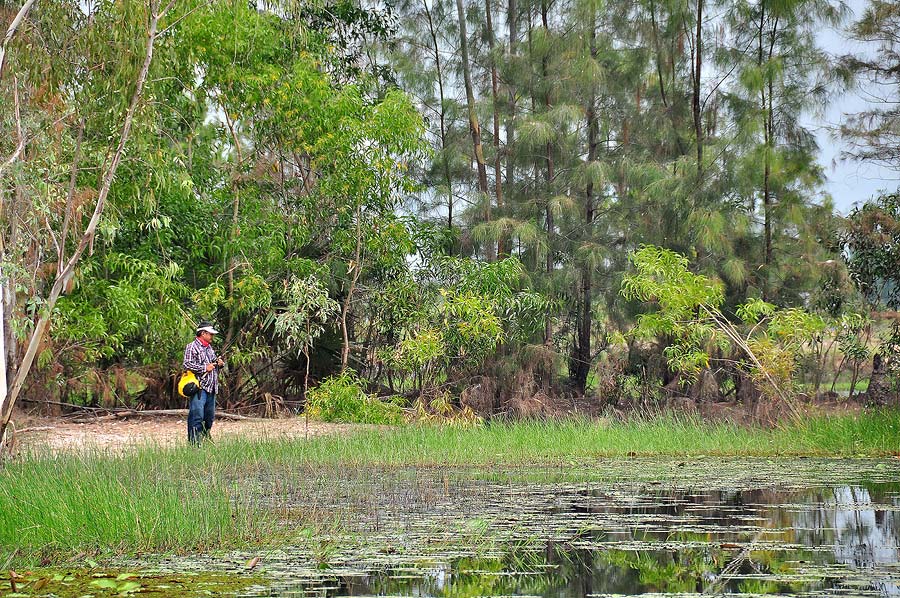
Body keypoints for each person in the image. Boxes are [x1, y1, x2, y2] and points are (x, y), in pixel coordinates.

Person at [183, 321, 225, 444]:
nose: (212, 336)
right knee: (197, 416)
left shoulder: (209, 348)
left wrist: (219, 364)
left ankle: (206, 438)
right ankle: (194, 443)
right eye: (210, 334)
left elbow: (213, 363)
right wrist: (204, 368)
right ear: (203, 333)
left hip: (211, 388)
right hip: (199, 388)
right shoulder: (191, 347)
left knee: (209, 417)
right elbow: (187, 364)